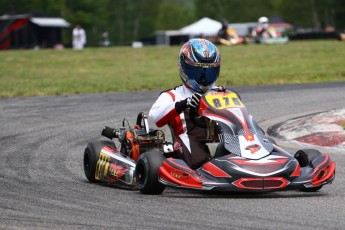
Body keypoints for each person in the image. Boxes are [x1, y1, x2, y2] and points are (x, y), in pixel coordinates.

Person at [149, 38, 240, 170]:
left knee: (261, 147)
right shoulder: (172, 95)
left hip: (223, 141)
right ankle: (210, 170)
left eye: (209, 72)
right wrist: (184, 104)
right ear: (184, 68)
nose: (204, 78)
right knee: (200, 163)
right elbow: (156, 117)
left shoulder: (223, 93)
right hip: (187, 142)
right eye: (199, 72)